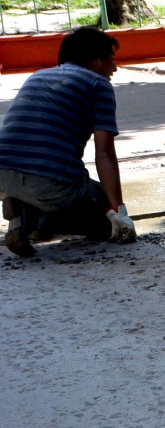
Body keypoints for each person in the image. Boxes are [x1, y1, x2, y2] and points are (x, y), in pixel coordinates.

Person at [0, 26, 136, 257]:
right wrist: (118, 211)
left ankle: (22, 214)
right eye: (111, 61)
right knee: (105, 225)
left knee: (42, 186)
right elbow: (104, 154)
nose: (114, 68)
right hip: (50, 181)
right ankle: (37, 221)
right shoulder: (98, 84)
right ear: (95, 61)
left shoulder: (38, 76)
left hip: (2, 172)